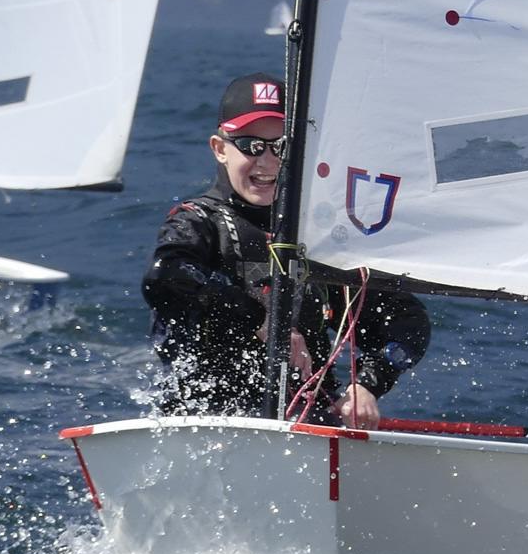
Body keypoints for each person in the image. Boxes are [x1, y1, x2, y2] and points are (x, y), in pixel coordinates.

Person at [141, 72, 429, 426]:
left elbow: (408, 323)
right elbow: (165, 278)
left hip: (305, 426)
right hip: (207, 423)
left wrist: (367, 385)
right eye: (250, 145)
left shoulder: (318, 236)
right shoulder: (198, 222)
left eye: (281, 147)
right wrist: (264, 321)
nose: (267, 162)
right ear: (219, 148)